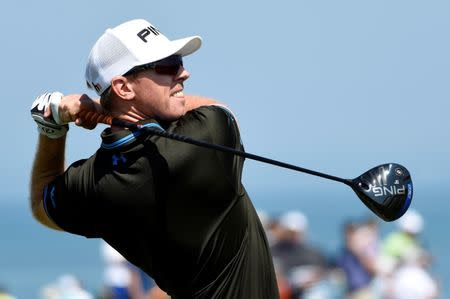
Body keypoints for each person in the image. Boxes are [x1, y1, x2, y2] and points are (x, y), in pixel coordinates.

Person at [29, 18, 279, 299]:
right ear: (124, 87)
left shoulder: (94, 183)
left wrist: (52, 129)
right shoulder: (209, 139)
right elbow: (219, 109)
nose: (183, 73)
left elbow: (41, 202)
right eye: (168, 66)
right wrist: (98, 109)